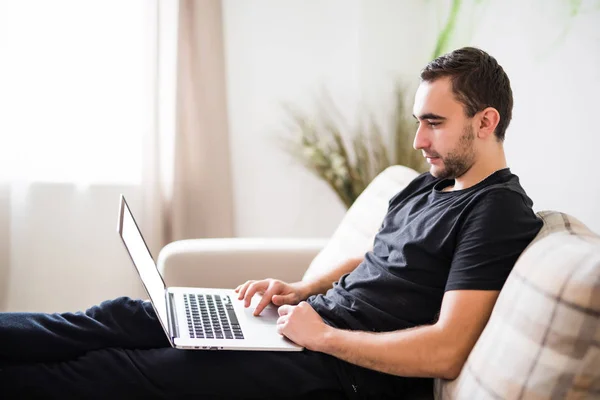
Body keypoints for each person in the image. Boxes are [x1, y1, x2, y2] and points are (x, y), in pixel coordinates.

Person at [0, 47, 543, 399]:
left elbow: (447, 348)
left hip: (338, 373)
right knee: (118, 316)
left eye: (434, 123)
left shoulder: (495, 210)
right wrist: (301, 289)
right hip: (303, 331)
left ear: (486, 121)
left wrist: (325, 336)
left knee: (113, 371)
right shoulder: (432, 182)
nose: (419, 140)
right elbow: (384, 256)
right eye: (417, 122)